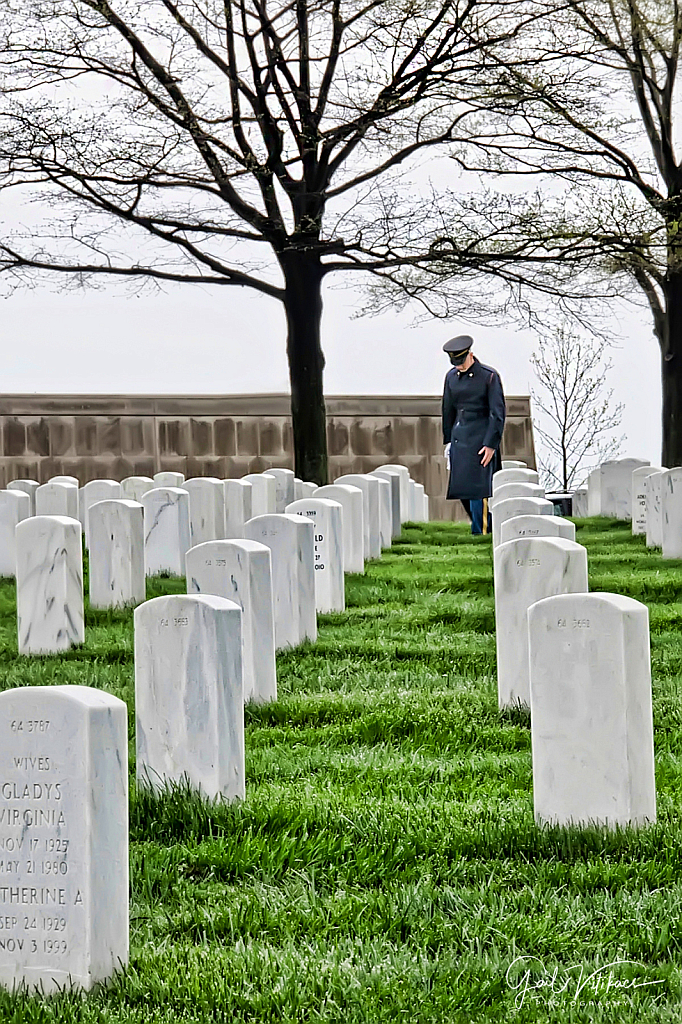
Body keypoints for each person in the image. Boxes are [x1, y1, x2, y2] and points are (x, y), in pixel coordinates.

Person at [442, 334, 506, 534]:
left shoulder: (488, 376)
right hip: (460, 438)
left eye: (461, 361)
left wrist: (491, 444)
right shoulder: (451, 377)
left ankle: (481, 531)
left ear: (470, 355)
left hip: (481, 440)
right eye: (455, 362)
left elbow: (497, 413)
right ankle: (486, 524)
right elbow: (448, 410)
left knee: (480, 490)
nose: (459, 366)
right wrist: (448, 441)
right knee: (462, 489)